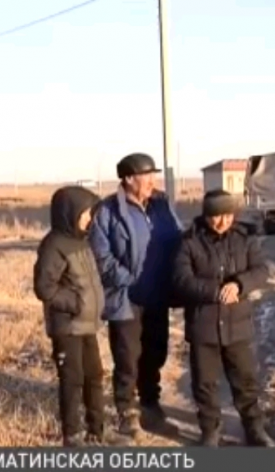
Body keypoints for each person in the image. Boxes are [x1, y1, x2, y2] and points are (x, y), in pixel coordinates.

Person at [89, 153, 184, 438]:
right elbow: (101, 256)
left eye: (154, 175)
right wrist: (128, 280)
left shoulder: (161, 205)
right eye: (147, 176)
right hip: (126, 298)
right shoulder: (108, 211)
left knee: (155, 353)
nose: (153, 181)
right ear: (129, 179)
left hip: (157, 294)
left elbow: (178, 238)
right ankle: (127, 413)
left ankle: (151, 406)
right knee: (127, 357)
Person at [172, 189, 275, 447]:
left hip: (237, 325)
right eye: (216, 216)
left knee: (245, 380)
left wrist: (239, 285)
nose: (222, 222)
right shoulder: (189, 242)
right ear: (206, 215)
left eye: (228, 215)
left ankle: (254, 427)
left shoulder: (245, 238)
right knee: (205, 383)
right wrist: (213, 291)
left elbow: (261, 270)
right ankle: (210, 431)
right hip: (203, 325)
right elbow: (181, 280)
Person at [33, 186, 105, 447]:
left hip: (87, 325)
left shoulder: (82, 240)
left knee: (94, 375)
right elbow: (44, 287)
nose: (89, 218)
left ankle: (97, 430)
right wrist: (76, 303)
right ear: (70, 213)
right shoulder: (53, 245)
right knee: (72, 380)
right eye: (85, 213)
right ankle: (72, 435)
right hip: (67, 326)